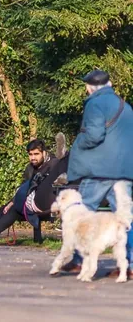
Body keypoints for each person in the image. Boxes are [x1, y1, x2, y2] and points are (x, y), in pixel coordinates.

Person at [61, 69, 133, 273]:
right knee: (126, 218)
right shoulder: (125, 106)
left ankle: (79, 260)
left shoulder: (95, 103)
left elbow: (94, 135)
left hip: (100, 171)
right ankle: (130, 264)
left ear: (90, 87)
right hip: (124, 171)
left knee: (82, 212)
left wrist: (78, 143)